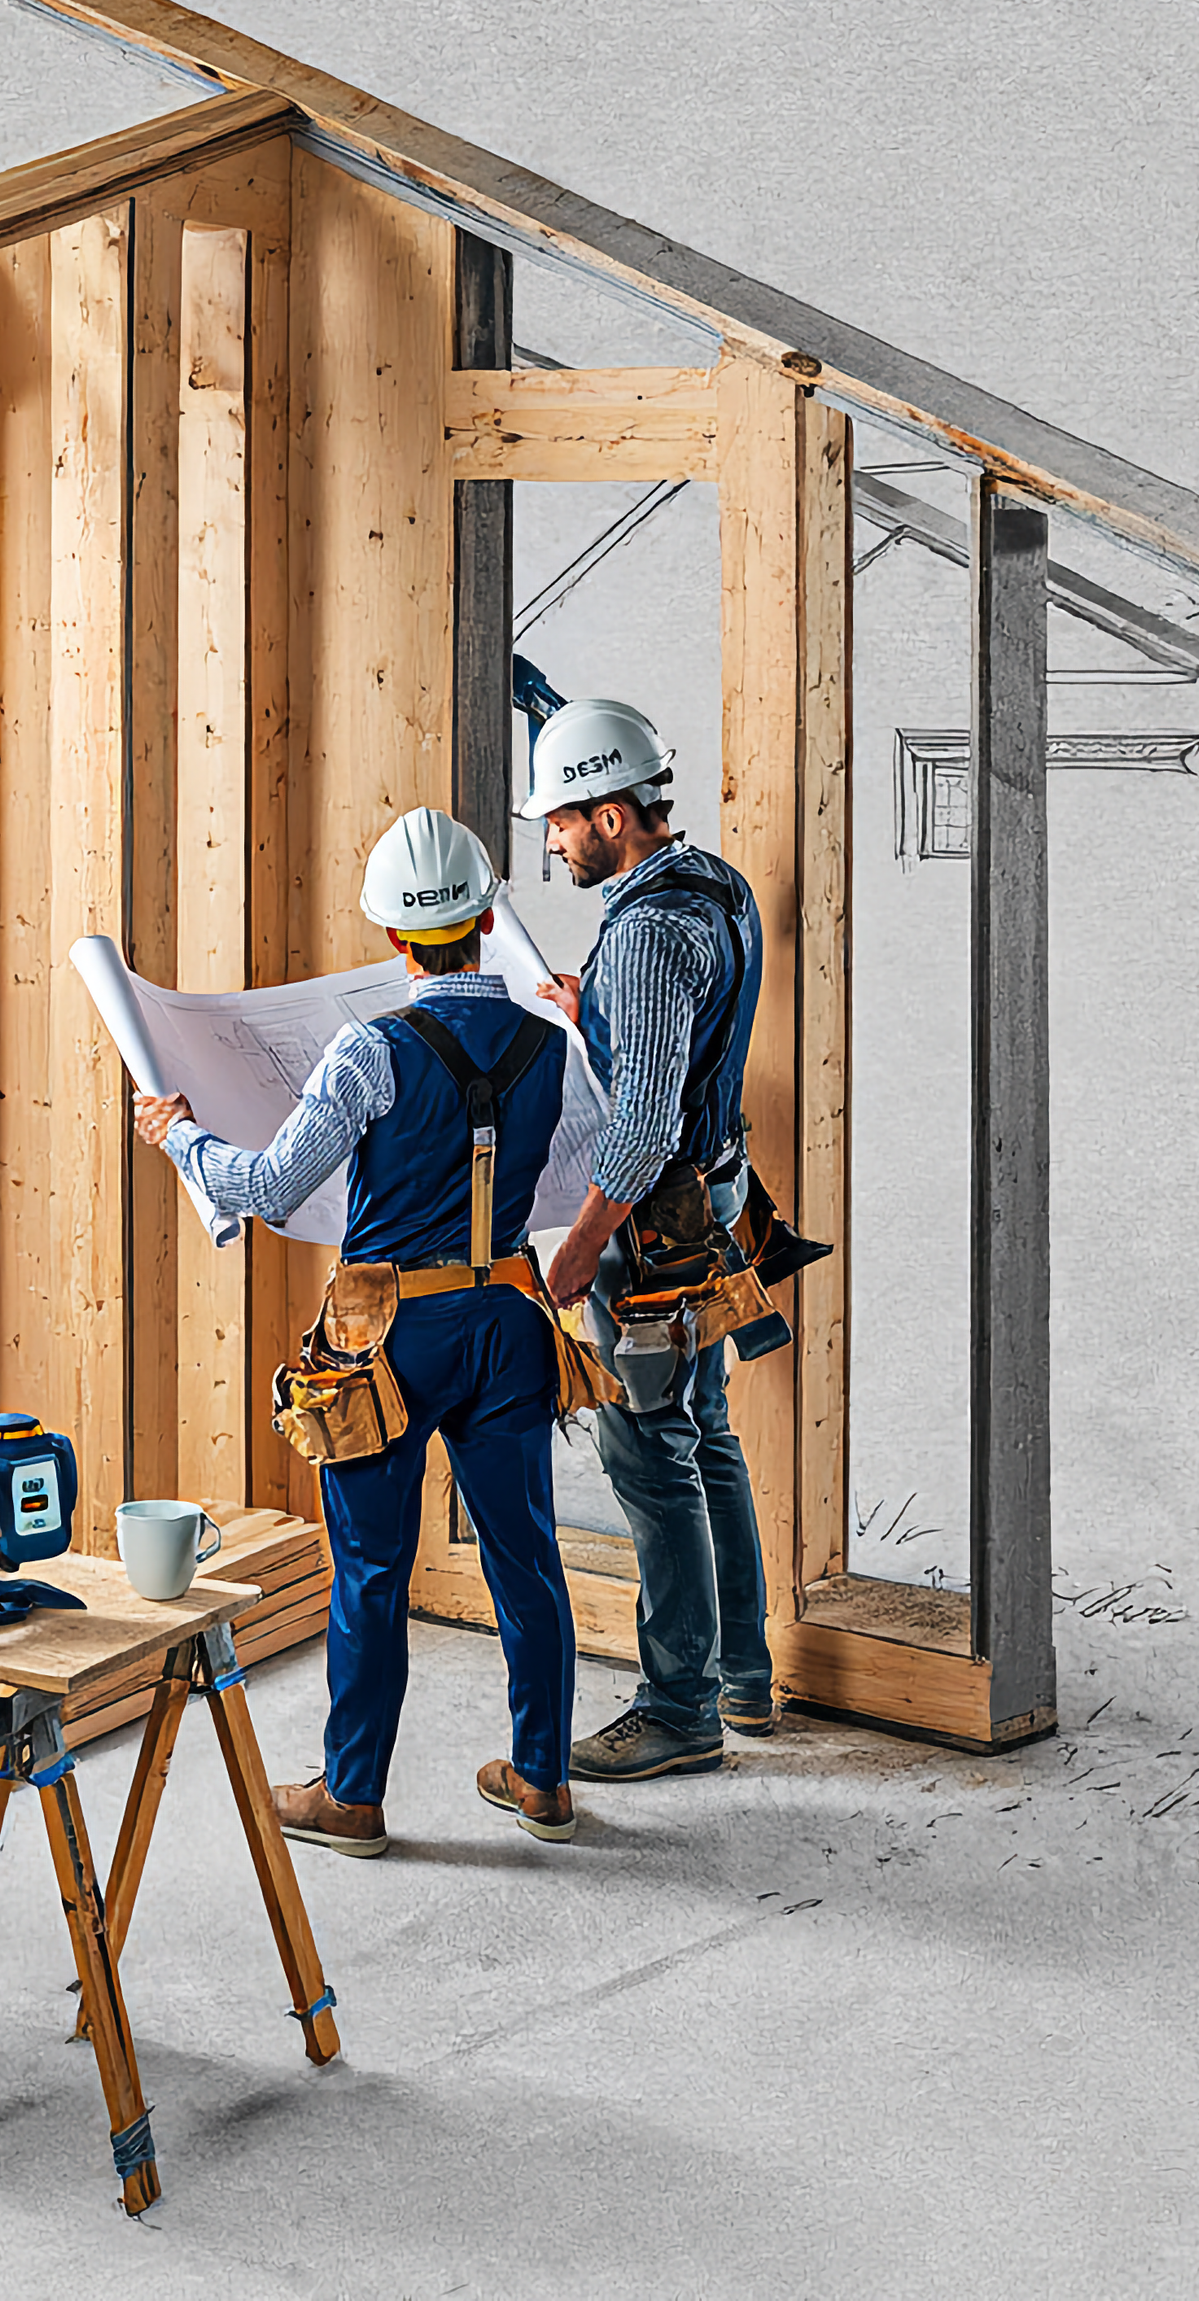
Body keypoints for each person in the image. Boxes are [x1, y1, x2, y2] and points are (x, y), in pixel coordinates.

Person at [132, 808, 578, 1856]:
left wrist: (178, 1134)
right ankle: (544, 1779)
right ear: (482, 918)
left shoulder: (367, 1049)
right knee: (527, 1556)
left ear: (391, 938)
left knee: (372, 1569)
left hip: (389, 1336)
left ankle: (353, 1796)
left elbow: (270, 1182)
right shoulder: (547, 1040)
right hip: (511, 1320)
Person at [529, 698, 777, 1782]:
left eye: (562, 820)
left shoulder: (642, 933)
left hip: (655, 1237)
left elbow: (640, 1130)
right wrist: (601, 1013)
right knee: (704, 1435)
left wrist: (580, 1248)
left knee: (648, 1455)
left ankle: (678, 1707)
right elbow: (686, 1033)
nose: (549, 838)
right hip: (714, 1210)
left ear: (615, 814)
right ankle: (741, 1678)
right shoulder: (713, 886)